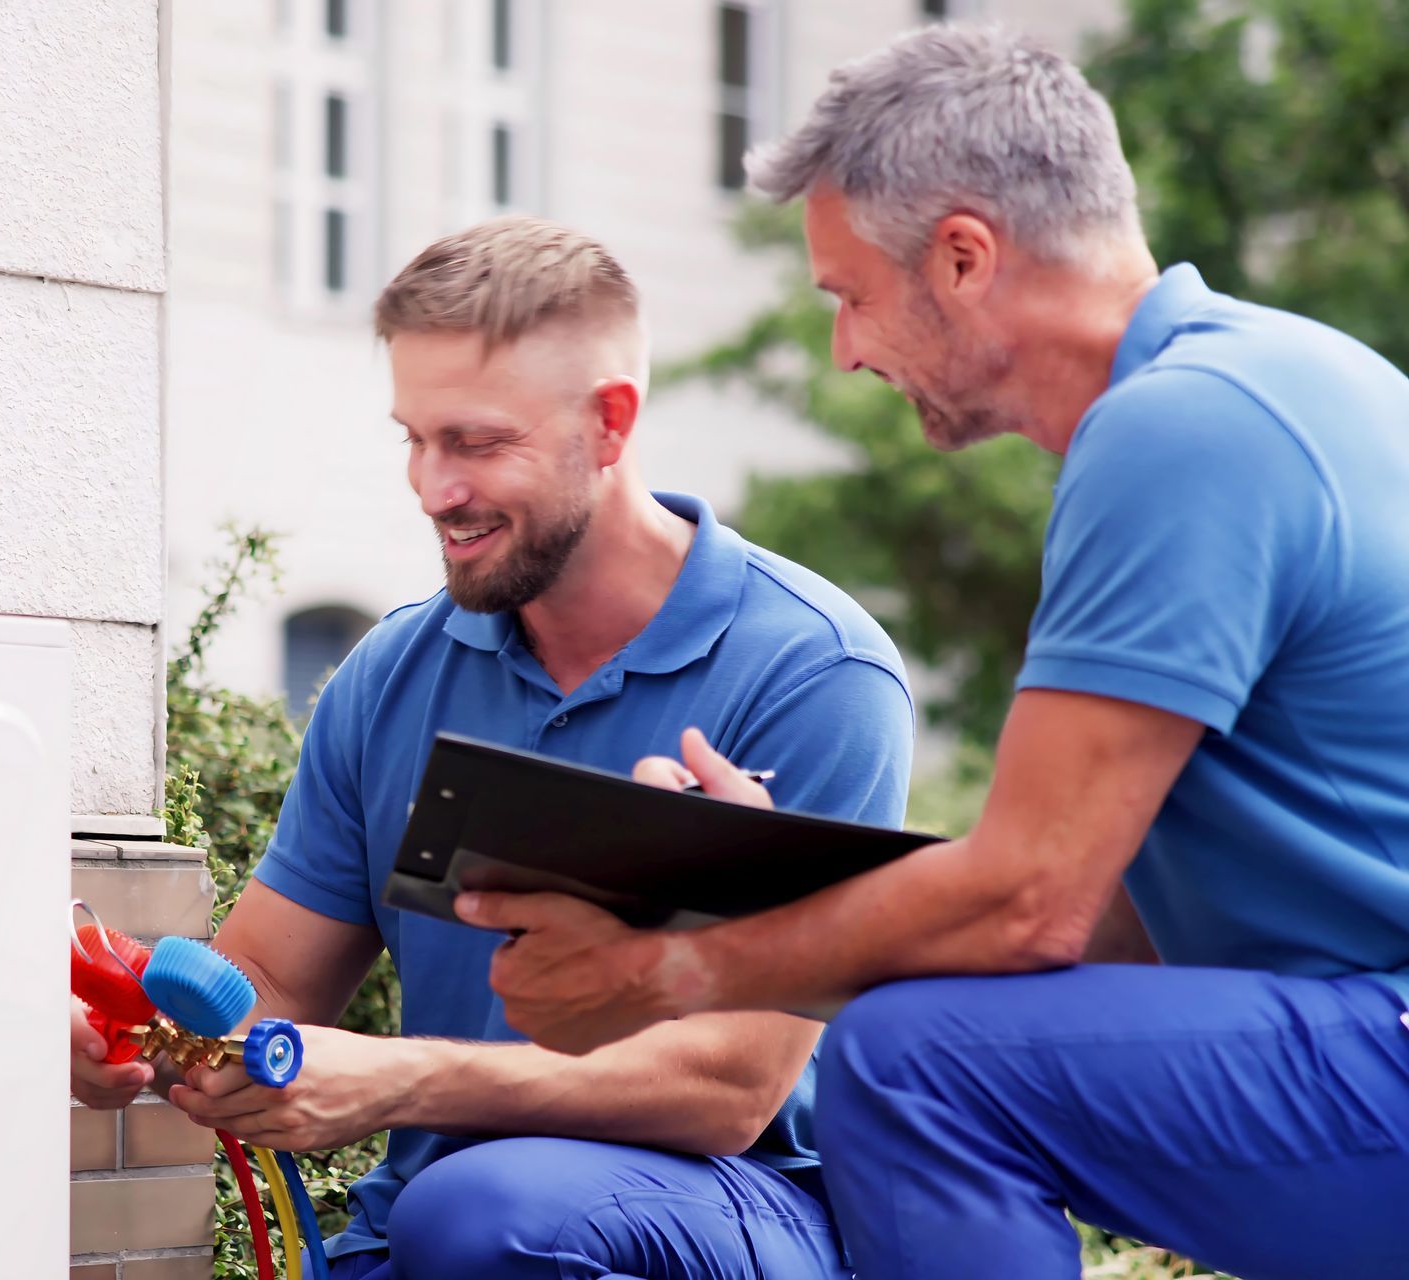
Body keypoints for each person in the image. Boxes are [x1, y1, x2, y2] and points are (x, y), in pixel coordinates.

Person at [461, 25, 1409, 1280]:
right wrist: (763, 887)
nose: (847, 348)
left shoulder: (1179, 433)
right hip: (1364, 1032)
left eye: (850, 295)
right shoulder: (1282, 379)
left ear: (963, 257)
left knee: (922, 1066)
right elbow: (1094, 925)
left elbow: (1029, 904)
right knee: (942, 1040)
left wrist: (664, 970)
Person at [72, 216, 916, 1279]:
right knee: (457, 1216)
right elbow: (272, 980)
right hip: (432, 1228)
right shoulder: (391, 678)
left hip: (738, 1212)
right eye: (414, 439)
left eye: (475, 441)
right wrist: (137, 1037)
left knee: (483, 1209)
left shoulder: (811, 672)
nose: (433, 486)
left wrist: (403, 1081)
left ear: (610, 424)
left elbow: (731, 1085)